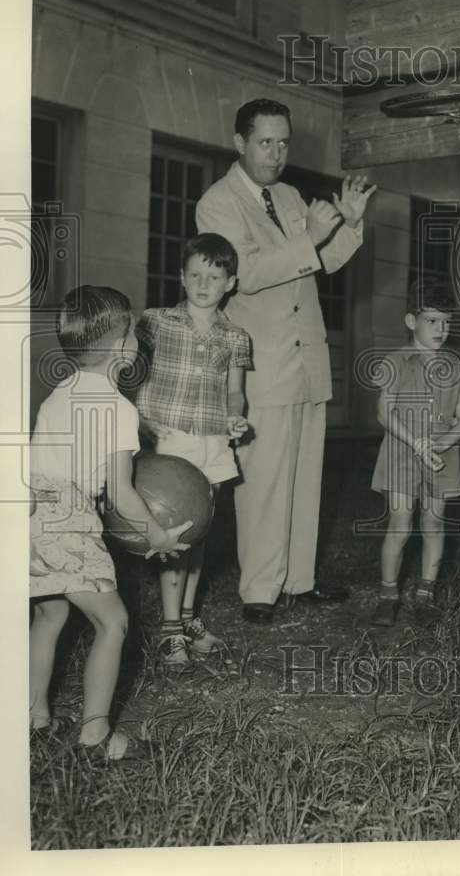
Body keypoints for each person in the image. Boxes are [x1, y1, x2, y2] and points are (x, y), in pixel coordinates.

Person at [195, 98, 376, 623]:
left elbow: (322, 261)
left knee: (304, 475)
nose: (275, 154)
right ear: (239, 143)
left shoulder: (290, 194)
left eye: (283, 142)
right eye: (264, 142)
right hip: (261, 363)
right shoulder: (218, 203)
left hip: (306, 358)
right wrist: (310, 236)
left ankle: (299, 580)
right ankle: (258, 590)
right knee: (264, 479)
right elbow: (244, 274)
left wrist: (350, 226)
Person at [29, 286, 191, 760]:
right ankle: (96, 736)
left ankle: (33, 717)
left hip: (29, 514)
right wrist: (156, 535)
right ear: (123, 348)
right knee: (113, 621)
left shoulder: (57, 394)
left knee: (50, 612)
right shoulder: (118, 409)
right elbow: (121, 492)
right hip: (69, 519)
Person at [135, 234, 252, 668]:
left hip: (212, 440)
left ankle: (187, 618)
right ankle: (169, 632)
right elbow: (134, 371)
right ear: (182, 277)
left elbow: (235, 392)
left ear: (230, 282)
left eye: (214, 276)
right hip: (170, 439)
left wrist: (235, 418)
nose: (204, 283)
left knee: (199, 533)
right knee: (176, 532)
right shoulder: (155, 321)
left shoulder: (236, 336)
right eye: (196, 275)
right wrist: (139, 420)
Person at [370, 279, 460, 626]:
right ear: (411, 321)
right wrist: (417, 443)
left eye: (446, 322)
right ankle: (388, 595)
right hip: (402, 455)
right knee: (400, 524)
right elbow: (385, 413)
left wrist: (444, 442)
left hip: (441, 458)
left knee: (434, 523)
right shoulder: (396, 361)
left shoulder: (456, 366)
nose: (441, 329)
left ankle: (426, 594)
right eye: (432, 320)